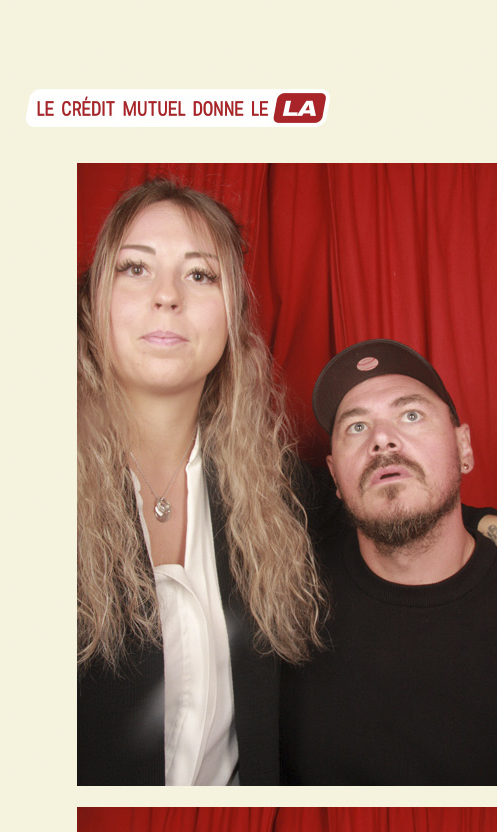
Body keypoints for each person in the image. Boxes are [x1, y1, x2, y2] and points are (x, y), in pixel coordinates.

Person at [78, 179, 324, 786]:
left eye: (200, 275)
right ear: (94, 301)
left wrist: (488, 525)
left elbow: (383, 516)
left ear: (233, 316)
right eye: (136, 268)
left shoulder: (281, 496)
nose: (167, 296)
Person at [279, 340, 497, 785]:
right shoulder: (286, 602)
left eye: (411, 415)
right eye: (356, 427)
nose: (381, 440)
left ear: (463, 446)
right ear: (334, 474)